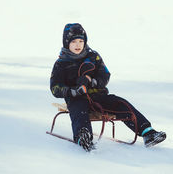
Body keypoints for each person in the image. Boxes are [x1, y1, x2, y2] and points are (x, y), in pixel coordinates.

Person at [50, 23, 166, 152]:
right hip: (77, 98)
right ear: (67, 43)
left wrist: (93, 81)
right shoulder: (61, 64)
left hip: (100, 96)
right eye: (74, 42)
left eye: (81, 41)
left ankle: (147, 132)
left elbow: (105, 75)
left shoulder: (93, 57)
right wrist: (73, 91)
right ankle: (83, 137)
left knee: (120, 103)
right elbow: (55, 87)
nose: (78, 45)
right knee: (79, 111)